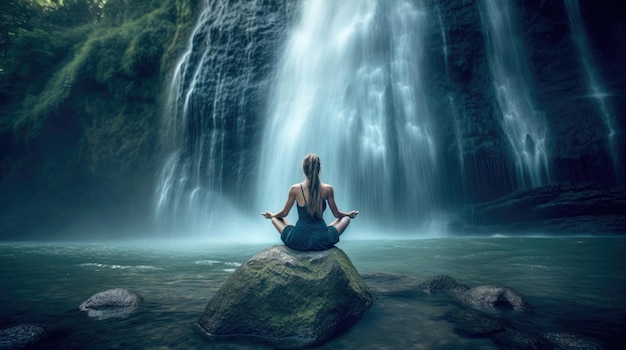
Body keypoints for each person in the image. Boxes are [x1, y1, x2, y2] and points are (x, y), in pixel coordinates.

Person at [261, 153, 358, 251]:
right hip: (322, 239)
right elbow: (337, 214)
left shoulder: (295, 189)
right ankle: (321, 230)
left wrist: (272, 215)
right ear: (319, 169)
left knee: (275, 219)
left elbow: (284, 213)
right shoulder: (328, 189)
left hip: (298, 239)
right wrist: (348, 214)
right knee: (345, 219)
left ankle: (274, 218)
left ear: (303, 169)